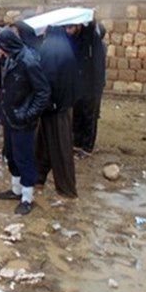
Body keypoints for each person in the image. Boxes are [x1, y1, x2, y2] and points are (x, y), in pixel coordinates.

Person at [0, 28, 50, 215]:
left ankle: (27, 197)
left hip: (22, 118)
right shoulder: (12, 58)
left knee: (24, 157)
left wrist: (28, 115)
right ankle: (16, 189)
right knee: (11, 153)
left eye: (0, 47)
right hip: (11, 116)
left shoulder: (29, 61)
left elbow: (43, 92)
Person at [35, 26, 79, 198]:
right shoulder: (64, 46)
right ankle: (38, 177)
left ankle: (67, 188)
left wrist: (49, 103)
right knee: (43, 144)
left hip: (55, 107)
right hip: (60, 104)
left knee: (60, 148)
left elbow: (47, 78)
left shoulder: (50, 49)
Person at [73, 22, 107, 156]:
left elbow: (97, 70)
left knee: (89, 117)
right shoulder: (86, 45)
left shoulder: (97, 46)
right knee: (80, 114)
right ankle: (78, 142)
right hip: (83, 87)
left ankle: (87, 147)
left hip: (92, 88)